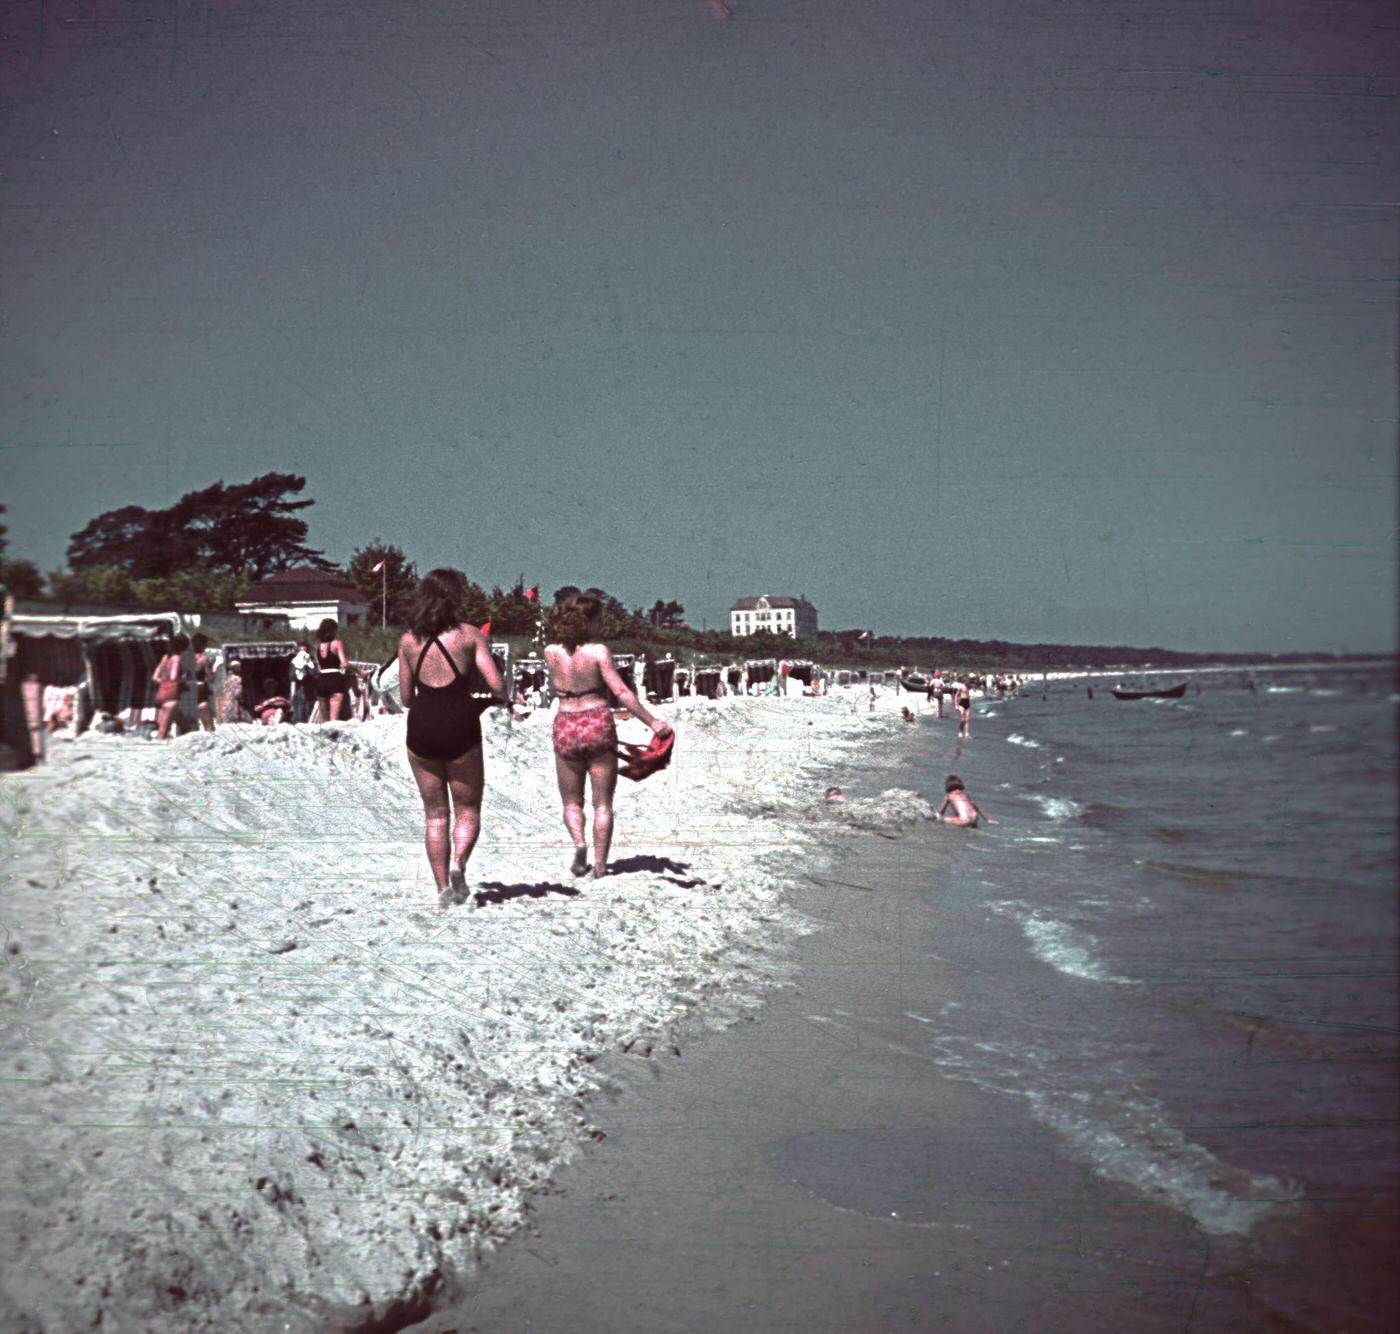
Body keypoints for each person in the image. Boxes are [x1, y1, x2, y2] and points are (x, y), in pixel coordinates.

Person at [398, 568, 517, 909]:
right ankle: (459, 864)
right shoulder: (469, 636)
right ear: (455, 597)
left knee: (435, 814)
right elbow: (498, 687)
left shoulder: (408, 640)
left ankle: (442, 890)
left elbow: (406, 697)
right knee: (467, 807)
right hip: (460, 724)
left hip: (421, 726)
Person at [545, 592, 672, 880]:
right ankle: (600, 867)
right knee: (602, 803)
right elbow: (622, 692)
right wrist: (652, 722)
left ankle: (579, 843)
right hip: (597, 721)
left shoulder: (551, 651)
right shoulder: (599, 652)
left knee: (571, 802)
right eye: (599, 620)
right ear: (588, 622)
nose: (602, 625)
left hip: (565, 721)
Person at [152, 634, 188, 740]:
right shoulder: (177, 658)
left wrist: (164, 682)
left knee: (184, 726)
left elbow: (155, 677)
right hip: (172, 695)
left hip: (161, 693)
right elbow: (174, 676)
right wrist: (183, 680)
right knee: (162, 732)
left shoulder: (165, 657)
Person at [314, 619, 350, 722]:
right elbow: (345, 664)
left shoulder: (318, 646)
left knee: (325, 722)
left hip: (321, 680)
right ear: (333, 630)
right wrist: (359, 672)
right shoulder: (337, 643)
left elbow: (319, 667)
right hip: (335, 680)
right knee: (334, 721)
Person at [191, 634, 217, 732]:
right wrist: (213, 669)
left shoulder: (185, 657)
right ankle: (209, 732)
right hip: (200, 687)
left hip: (187, 688)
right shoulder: (203, 659)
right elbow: (210, 677)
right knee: (206, 716)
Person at [290, 641, 317, 723]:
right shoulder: (295, 661)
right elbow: (291, 677)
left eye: (304, 649)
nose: (302, 651)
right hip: (299, 691)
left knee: (309, 713)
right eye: (300, 649)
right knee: (298, 715)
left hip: (310, 691)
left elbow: (315, 674)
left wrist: (307, 667)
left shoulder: (312, 660)